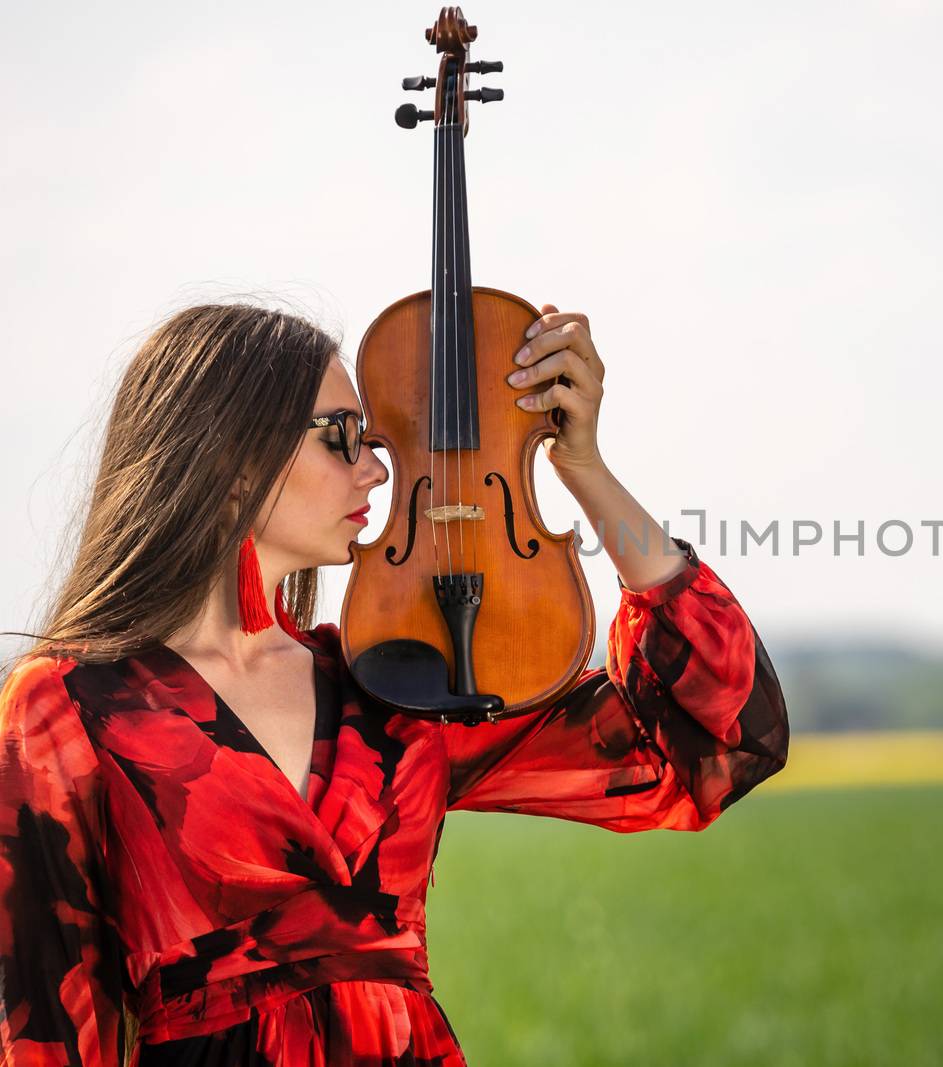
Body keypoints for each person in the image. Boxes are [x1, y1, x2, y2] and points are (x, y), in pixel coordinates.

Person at [0, 302, 789, 1065]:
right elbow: (41, 1023)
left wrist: (580, 466)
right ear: (231, 455)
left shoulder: (396, 692)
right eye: (342, 436)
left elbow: (706, 743)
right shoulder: (67, 704)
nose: (377, 466)